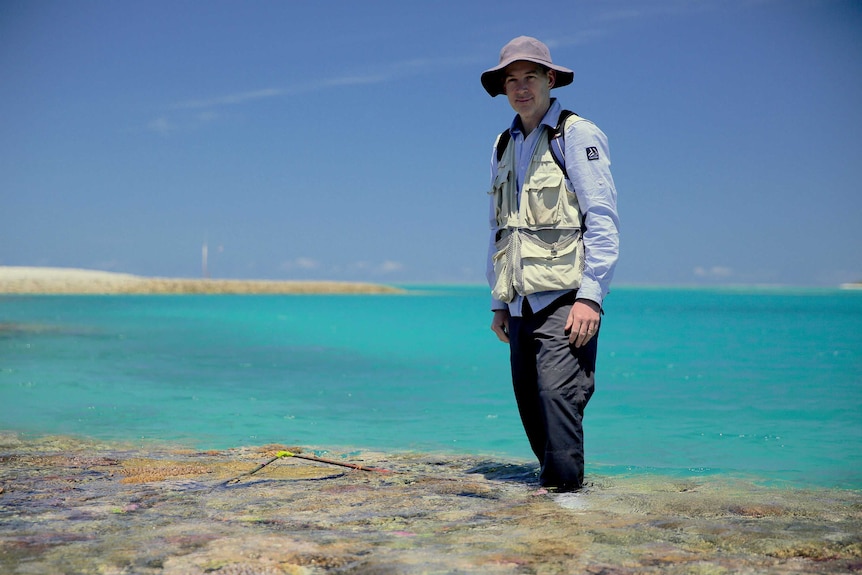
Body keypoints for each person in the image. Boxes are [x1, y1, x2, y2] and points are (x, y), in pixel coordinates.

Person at [482, 36, 620, 491]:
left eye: (530, 77)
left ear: (550, 80)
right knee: (529, 404)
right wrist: (498, 301)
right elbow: (499, 229)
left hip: (566, 296)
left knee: (558, 397)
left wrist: (591, 297)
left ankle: (568, 508)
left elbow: (601, 219)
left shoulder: (576, 134)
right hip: (519, 301)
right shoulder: (503, 144)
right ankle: (556, 501)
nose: (521, 88)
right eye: (512, 80)